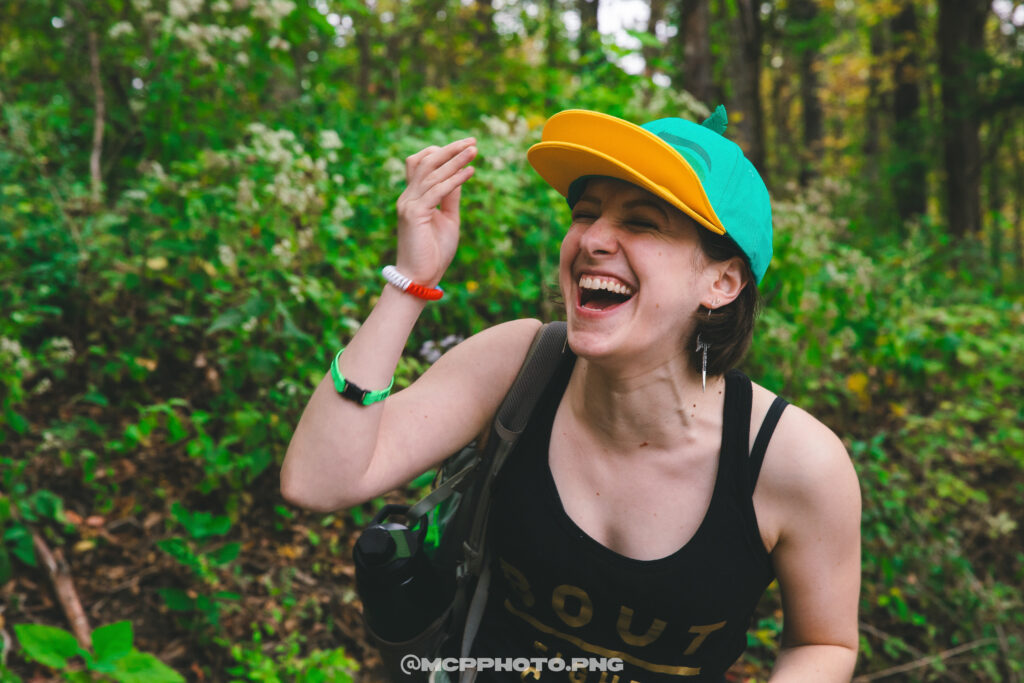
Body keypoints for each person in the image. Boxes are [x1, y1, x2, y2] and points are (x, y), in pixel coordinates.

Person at [281, 107, 861, 682]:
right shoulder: (518, 367)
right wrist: (410, 282)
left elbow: (824, 641)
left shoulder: (795, 464)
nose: (594, 239)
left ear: (721, 282)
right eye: (585, 214)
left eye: (641, 222)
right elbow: (318, 480)